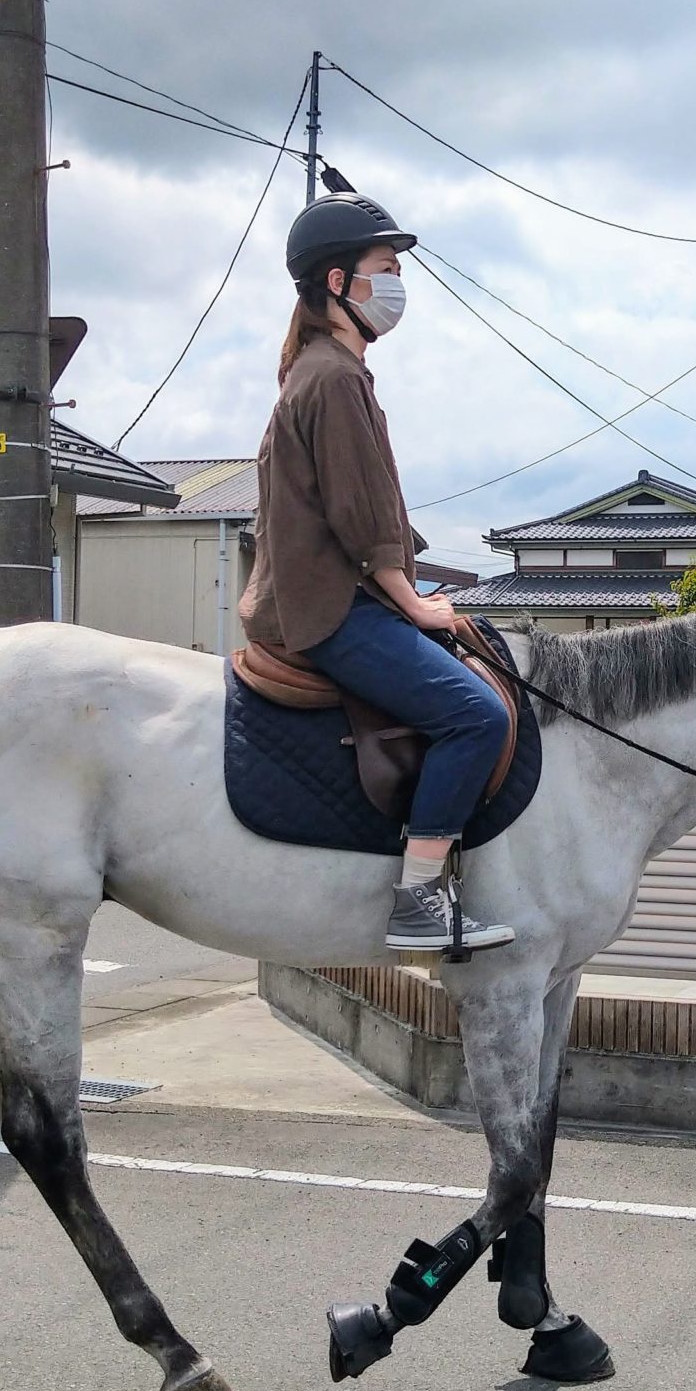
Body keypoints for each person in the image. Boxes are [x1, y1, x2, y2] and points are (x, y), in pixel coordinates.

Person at [239, 190, 516, 954]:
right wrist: (412, 602)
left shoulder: (328, 370)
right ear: (338, 284)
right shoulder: (332, 378)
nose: (397, 285)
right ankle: (417, 898)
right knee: (477, 715)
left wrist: (409, 592)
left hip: (336, 595)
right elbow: (361, 519)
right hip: (330, 608)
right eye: (385, 269)